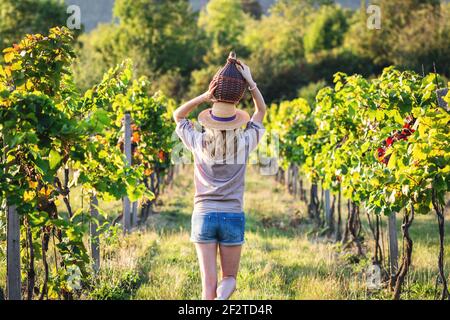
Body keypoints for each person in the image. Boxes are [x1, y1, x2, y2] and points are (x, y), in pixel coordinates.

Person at [173, 59, 266, 300]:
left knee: (207, 287)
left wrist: (205, 96)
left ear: (209, 120)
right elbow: (260, 112)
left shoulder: (198, 142)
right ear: (236, 121)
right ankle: (222, 300)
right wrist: (251, 83)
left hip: (203, 214)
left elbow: (178, 115)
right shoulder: (245, 143)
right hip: (232, 215)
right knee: (229, 279)